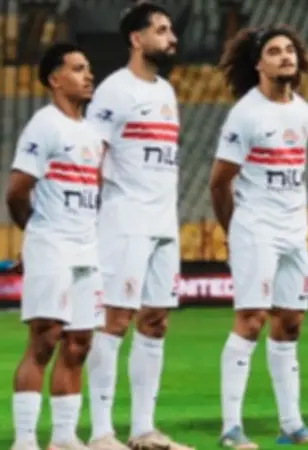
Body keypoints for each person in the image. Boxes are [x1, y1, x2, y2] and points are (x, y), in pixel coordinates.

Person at [83, 3, 192, 449]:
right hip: (124, 219)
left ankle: (143, 430)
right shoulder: (114, 90)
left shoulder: (166, 91)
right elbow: (91, 156)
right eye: (161, 30)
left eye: (170, 30)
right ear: (136, 38)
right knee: (114, 320)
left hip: (163, 220)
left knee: (156, 321)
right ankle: (101, 432)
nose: (172, 38)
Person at [210, 26, 308, 447]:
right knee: (252, 319)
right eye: (274, 51)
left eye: (290, 49)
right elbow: (219, 182)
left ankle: (291, 426)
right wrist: (234, 229)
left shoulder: (304, 112)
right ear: (258, 63)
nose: (285, 56)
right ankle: (230, 428)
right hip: (256, 225)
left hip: (294, 228)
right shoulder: (246, 114)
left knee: (290, 323)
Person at [7, 41, 102, 450]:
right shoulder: (44, 125)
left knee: (79, 343)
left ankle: (63, 438)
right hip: (52, 244)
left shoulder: (91, 133)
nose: (88, 75)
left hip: (86, 247)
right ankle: (25, 440)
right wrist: (37, 235)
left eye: (88, 68)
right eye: (78, 69)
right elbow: (17, 191)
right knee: (44, 338)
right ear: (55, 79)